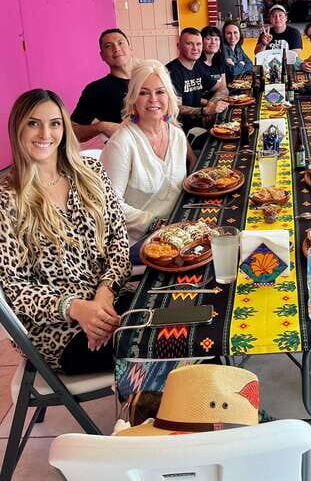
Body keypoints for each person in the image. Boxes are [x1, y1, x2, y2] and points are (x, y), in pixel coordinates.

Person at [0, 89, 131, 374]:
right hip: (59, 330)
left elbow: (118, 242)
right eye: (33, 123)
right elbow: (15, 289)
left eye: (55, 123)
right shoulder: (7, 200)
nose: (45, 133)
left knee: (181, 315)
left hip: (111, 300)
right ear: (17, 128)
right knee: (156, 344)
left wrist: (105, 294)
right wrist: (77, 308)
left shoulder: (91, 172)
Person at [101, 60, 188, 248]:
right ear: (133, 99)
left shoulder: (177, 136)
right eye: (143, 93)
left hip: (176, 231)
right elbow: (109, 204)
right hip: (137, 242)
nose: (153, 99)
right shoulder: (122, 143)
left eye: (160, 92)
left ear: (169, 96)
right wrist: (155, 224)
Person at [71, 28, 134, 142]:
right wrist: (101, 127)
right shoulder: (96, 90)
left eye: (120, 43)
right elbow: (73, 132)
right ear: (102, 56)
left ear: (130, 49)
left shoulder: (149, 78)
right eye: (108, 46)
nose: (116, 48)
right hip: (123, 149)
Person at [166, 28, 227, 133]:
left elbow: (222, 88)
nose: (195, 48)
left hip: (199, 125)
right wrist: (205, 111)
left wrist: (210, 104)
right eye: (189, 44)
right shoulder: (171, 71)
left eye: (198, 44)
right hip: (179, 130)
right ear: (178, 46)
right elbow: (175, 108)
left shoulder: (198, 67)